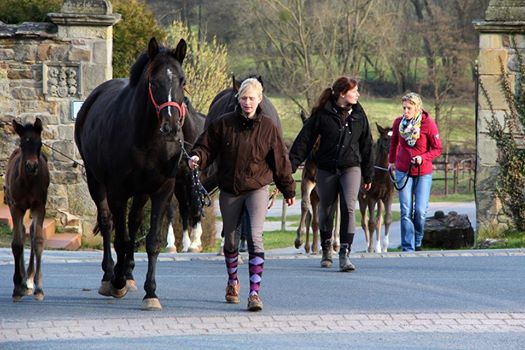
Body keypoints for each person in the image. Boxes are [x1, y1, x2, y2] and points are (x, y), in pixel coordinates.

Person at [188, 78, 295, 312]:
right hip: (230, 189)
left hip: (257, 188)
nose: (248, 103)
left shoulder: (268, 127)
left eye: (252, 98)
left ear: (260, 100)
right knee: (231, 240)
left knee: (256, 238)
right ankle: (232, 281)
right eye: (244, 98)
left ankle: (254, 293)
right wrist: (197, 156)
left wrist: (288, 189)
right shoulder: (224, 123)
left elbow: (280, 161)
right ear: (239, 99)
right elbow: (207, 146)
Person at [289, 76, 373, 272]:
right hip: (326, 168)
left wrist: (368, 175)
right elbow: (304, 141)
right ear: (342, 94)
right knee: (326, 208)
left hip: (351, 167)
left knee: (349, 207)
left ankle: (345, 253)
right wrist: (290, 166)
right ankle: (326, 248)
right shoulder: (322, 115)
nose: (358, 95)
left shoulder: (359, 116)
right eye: (354, 91)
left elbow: (367, 145)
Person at [388, 92, 442, 252]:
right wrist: (391, 162)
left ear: (417, 108)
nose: (405, 111)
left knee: (419, 211)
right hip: (403, 170)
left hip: (423, 172)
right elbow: (394, 143)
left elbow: (438, 148)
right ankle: (407, 247)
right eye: (404, 107)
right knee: (405, 210)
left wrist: (423, 158)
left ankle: (418, 239)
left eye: (409, 108)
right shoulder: (399, 123)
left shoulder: (428, 125)